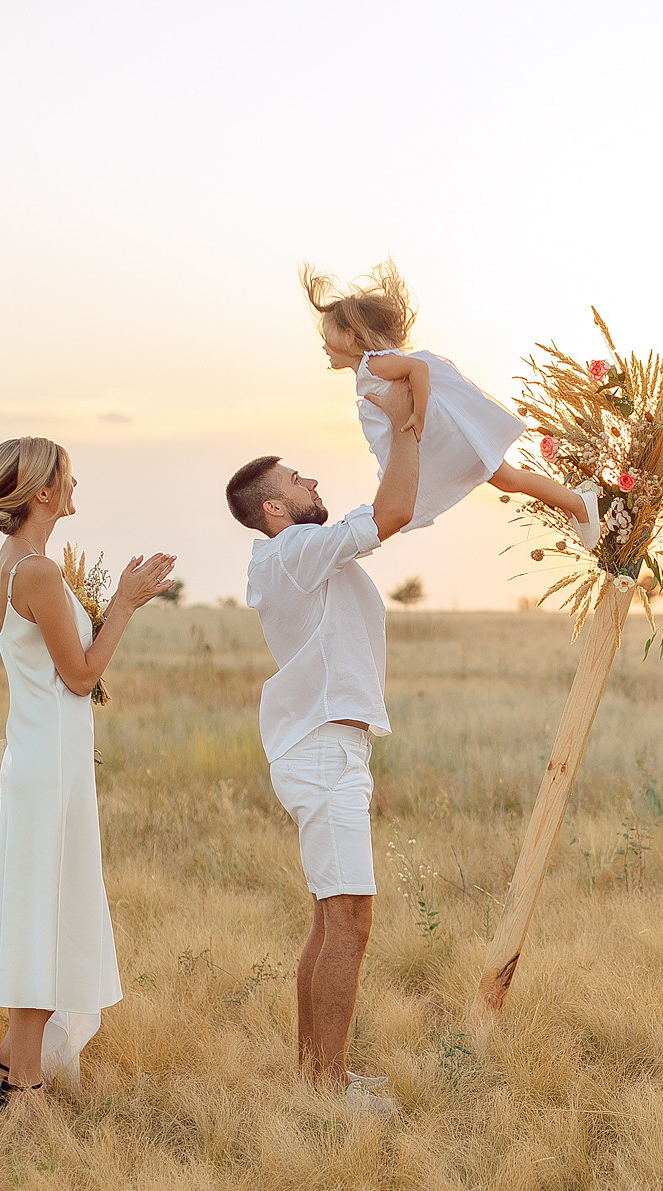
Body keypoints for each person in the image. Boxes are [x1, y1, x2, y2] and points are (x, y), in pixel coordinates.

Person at [0, 437, 177, 1113]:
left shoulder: (11, 565)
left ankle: (4, 1069)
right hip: (50, 764)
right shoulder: (37, 573)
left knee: (41, 920)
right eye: (68, 475)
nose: (76, 482)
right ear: (44, 493)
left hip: (39, 756)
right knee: (46, 922)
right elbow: (81, 676)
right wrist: (126, 604)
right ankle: (20, 1087)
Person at [226, 380, 418, 1114]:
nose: (312, 481)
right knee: (351, 920)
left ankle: (316, 1079)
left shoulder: (293, 559)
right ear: (276, 509)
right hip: (325, 754)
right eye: (297, 479)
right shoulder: (297, 549)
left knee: (327, 919)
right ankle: (330, 1090)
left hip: (324, 748)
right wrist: (405, 425)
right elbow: (392, 512)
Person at [300, 259, 601, 546]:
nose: (324, 346)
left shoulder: (372, 365)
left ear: (351, 339)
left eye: (328, 338)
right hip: (441, 439)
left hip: (444, 436)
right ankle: (574, 502)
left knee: (508, 479)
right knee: (509, 479)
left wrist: (418, 415)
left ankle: (578, 504)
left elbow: (419, 369)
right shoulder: (370, 370)